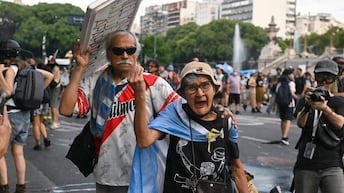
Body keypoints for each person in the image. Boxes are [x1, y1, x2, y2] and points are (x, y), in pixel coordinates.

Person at [59, 30, 180, 193]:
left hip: (145, 175)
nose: (124, 55)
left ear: (136, 53)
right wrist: (80, 68)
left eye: (130, 50)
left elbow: (182, 115)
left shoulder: (155, 84)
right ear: (108, 53)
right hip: (106, 175)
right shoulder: (95, 81)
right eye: (118, 50)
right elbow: (66, 109)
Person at [131, 61, 248, 193]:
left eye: (205, 86)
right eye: (192, 87)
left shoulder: (226, 122)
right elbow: (144, 140)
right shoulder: (174, 115)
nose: (199, 93)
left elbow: (237, 169)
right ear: (183, 94)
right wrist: (140, 94)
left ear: (215, 89)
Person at [0, 39, 53, 193]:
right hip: (25, 115)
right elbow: (49, 76)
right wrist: (35, 94)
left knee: (1, 152)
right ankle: (21, 187)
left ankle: (4, 187)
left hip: (11, 115)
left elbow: (8, 91)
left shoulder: (10, 70)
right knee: (18, 152)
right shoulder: (29, 68)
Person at [292, 59, 344, 193]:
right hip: (306, 164)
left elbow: (340, 123)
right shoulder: (306, 99)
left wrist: (325, 109)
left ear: (334, 80)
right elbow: (300, 123)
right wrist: (307, 106)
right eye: (320, 77)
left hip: (332, 163)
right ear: (315, 78)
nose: (323, 82)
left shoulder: (338, 102)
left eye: (327, 78)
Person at [32, 63, 53, 151]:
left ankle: (38, 143)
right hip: (45, 102)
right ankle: (46, 138)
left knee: (35, 124)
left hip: (37, 102)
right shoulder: (47, 80)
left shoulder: (37, 78)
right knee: (40, 122)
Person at [276, 67, 297, 145]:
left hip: (281, 103)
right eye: (292, 74)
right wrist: (300, 98)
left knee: (283, 119)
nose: (293, 75)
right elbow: (292, 94)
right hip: (289, 103)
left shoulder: (280, 82)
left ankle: (283, 135)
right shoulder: (291, 83)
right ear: (289, 75)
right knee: (288, 119)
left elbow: (277, 92)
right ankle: (285, 136)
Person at [47, 55, 61, 129]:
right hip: (53, 87)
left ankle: (55, 122)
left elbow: (54, 78)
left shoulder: (55, 68)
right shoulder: (53, 67)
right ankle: (54, 121)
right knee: (52, 105)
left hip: (55, 87)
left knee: (53, 105)